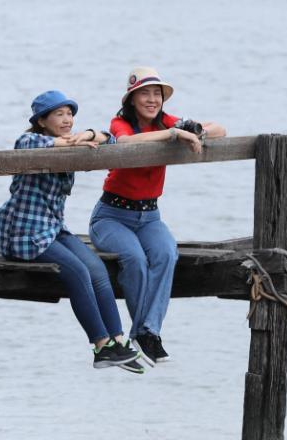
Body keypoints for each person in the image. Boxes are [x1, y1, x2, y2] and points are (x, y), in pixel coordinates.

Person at [0, 89, 143, 373]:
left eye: (70, 114)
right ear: (42, 120)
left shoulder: (74, 144)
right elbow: (24, 142)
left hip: (52, 226)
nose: (67, 120)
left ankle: (118, 341)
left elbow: (110, 140)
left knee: (97, 269)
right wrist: (64, 143)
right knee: (77, 271)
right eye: (59, 114)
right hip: (23, 232)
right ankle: (101, 347)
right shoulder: (32, 141)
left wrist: (88, 135)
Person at [88, 67, 226, 364]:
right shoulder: (121, 122)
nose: (152, 99)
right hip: (111, 217)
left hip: (149, 217)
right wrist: (175, 134)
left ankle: (147, 332)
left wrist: (195, 130)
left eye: (157, 94)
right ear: (132, 98)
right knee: (135, 260)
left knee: (166, 254)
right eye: (145, 93)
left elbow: (220, 129)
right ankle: (145, 333)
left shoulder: (166, 120)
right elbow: (123, 143)